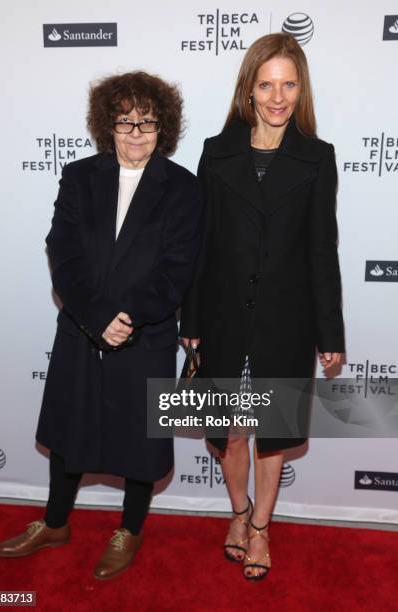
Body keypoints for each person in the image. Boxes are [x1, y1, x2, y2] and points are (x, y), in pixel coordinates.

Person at [0, 71, 202, 580]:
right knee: (69, 434)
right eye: (125, 121)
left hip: (145, 335)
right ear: (106, 125)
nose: (135, 133)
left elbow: (178, 268)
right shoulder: (79, 174)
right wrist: (96, 318)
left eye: (147, 122)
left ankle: (128, 529)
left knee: (139, 445)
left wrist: (125, 319)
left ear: (164, 127)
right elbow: (61, 251)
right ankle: (55, 522)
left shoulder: (182, 187)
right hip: (83, 333)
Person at [180, 33, 345, 581]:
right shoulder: (215, 151)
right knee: (229, 430)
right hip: (225, 319)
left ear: (302, 89)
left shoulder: (318, 159)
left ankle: (261, 530)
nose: (278, 97)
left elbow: (323, 250)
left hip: (285, 322)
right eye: (266, 84)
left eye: (289, 84)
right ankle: (238, 513)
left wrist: (330, 333)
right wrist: (193, 319)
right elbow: (200, 243)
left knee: (271, 433)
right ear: (248, 90)